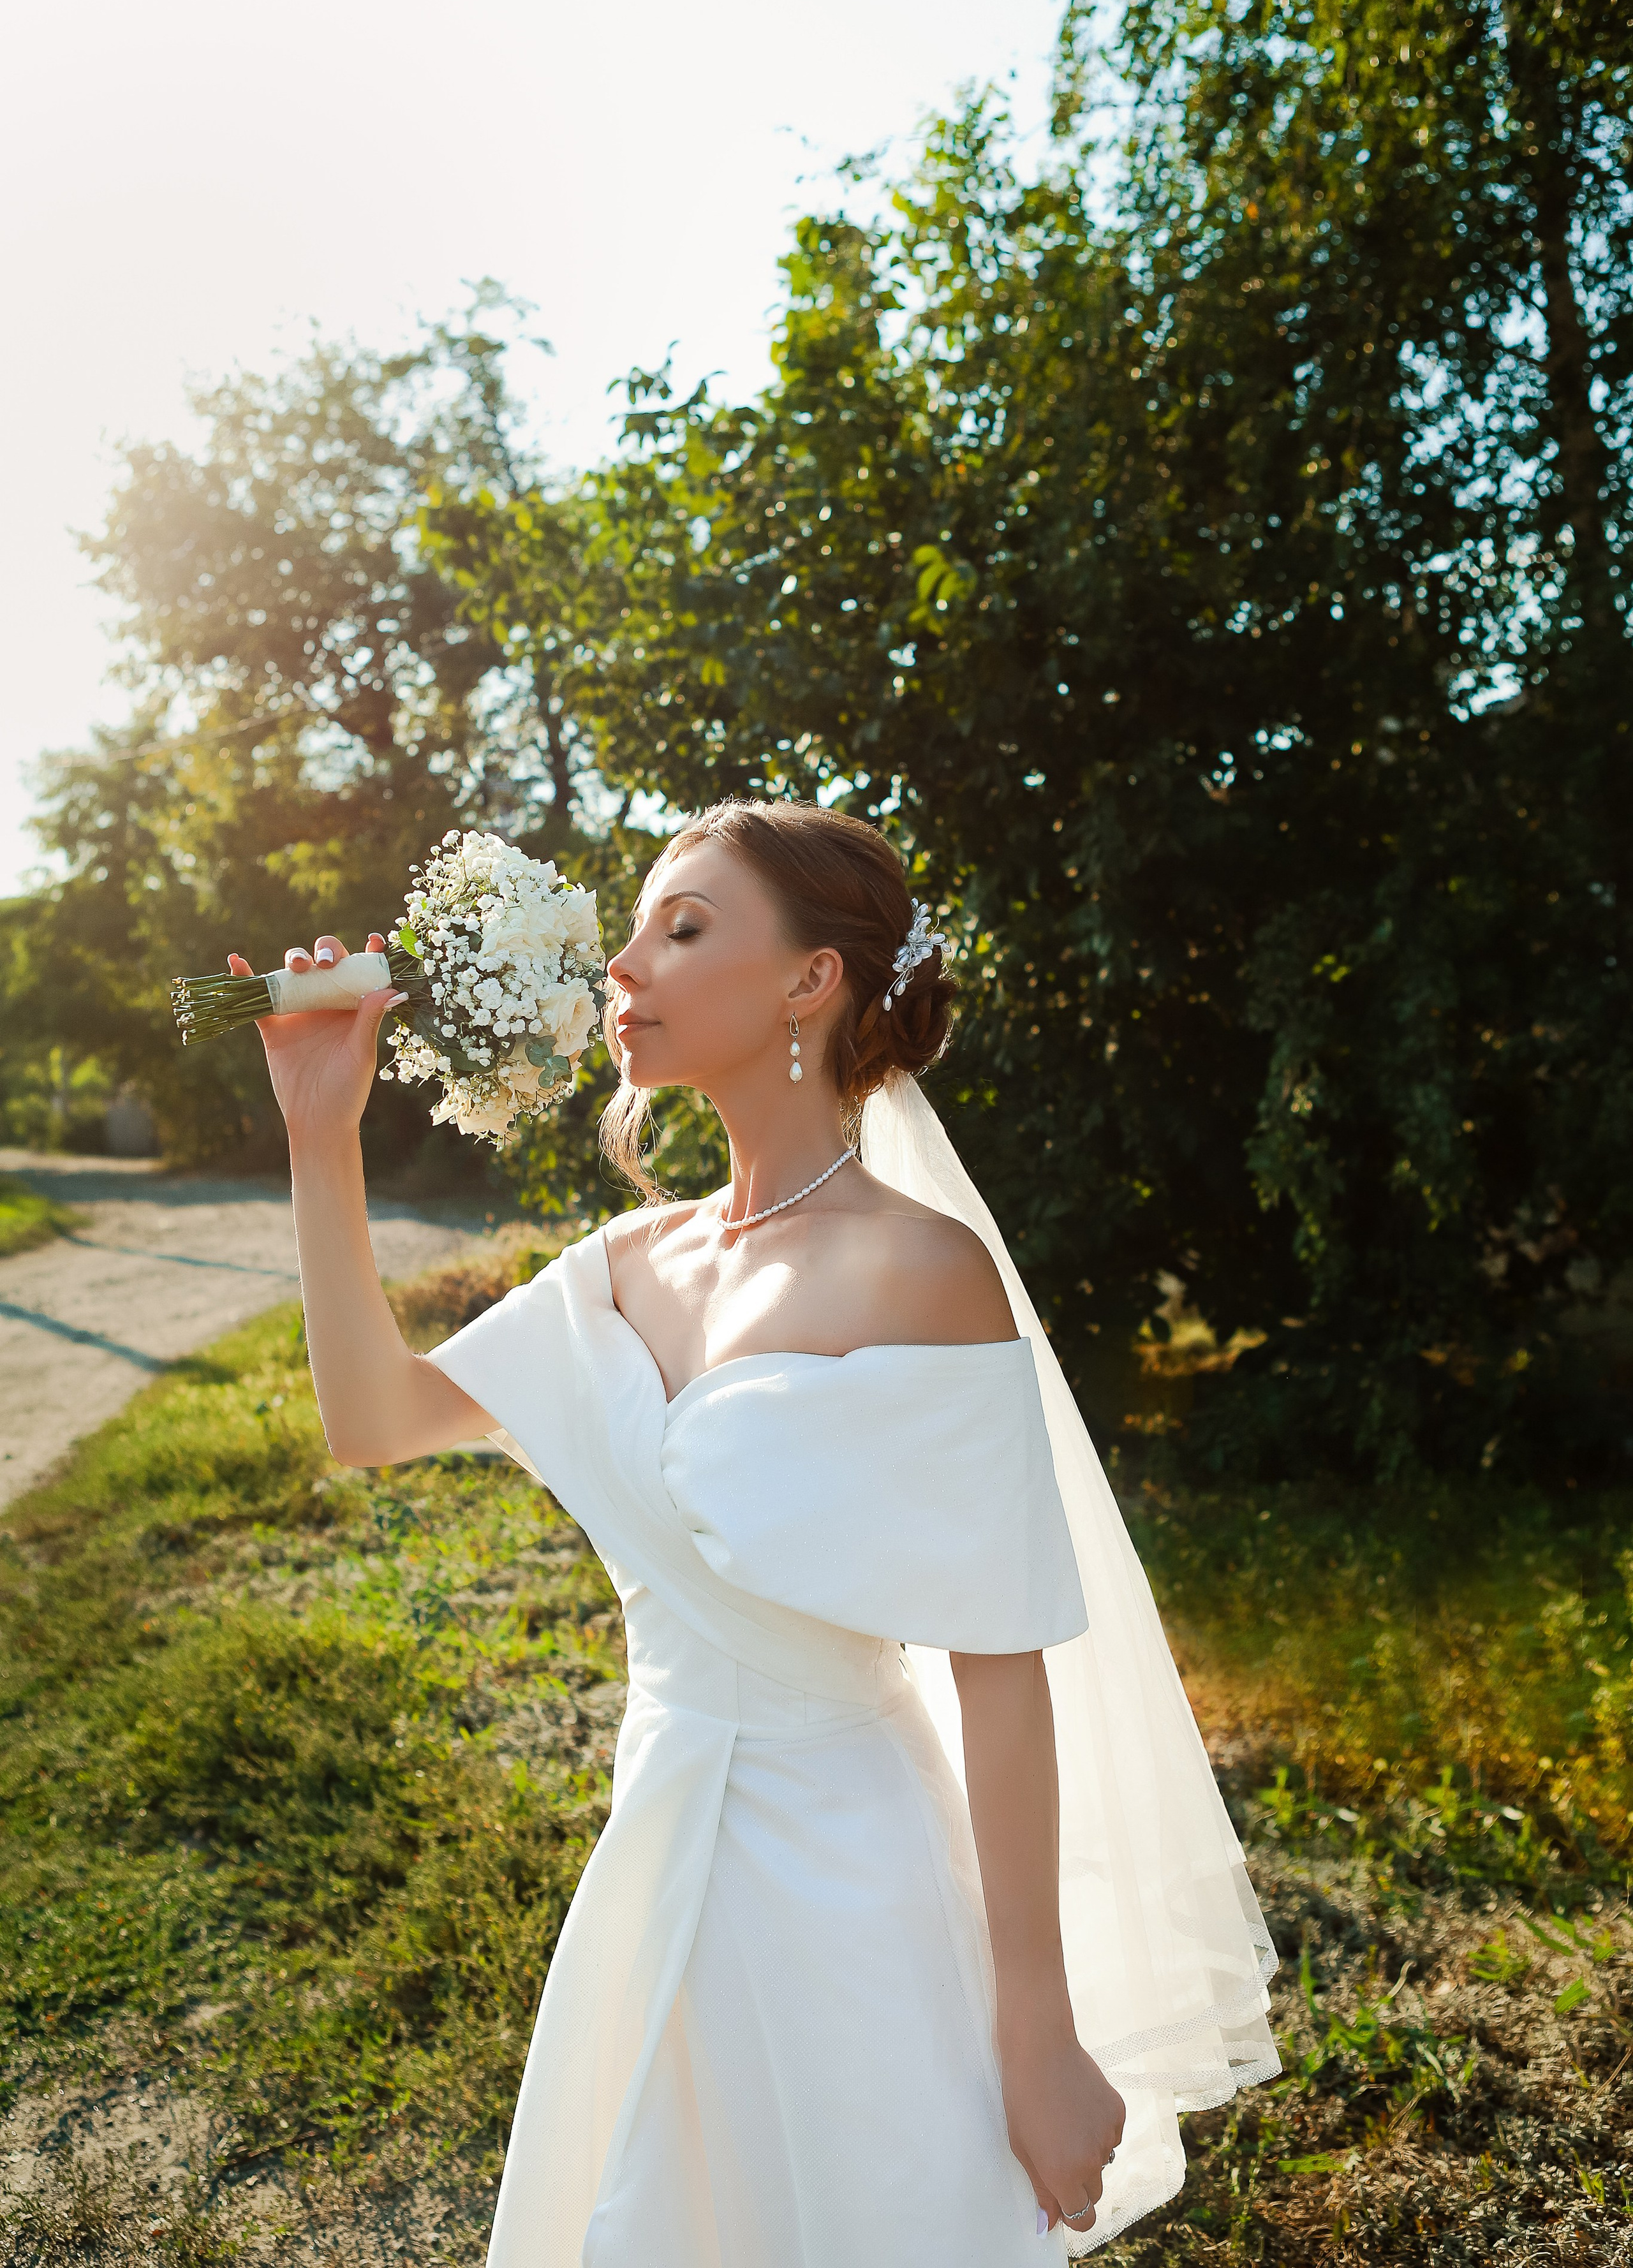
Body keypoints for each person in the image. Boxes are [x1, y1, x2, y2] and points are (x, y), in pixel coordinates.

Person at [235, 797, 1278, 2267]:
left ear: (810, 981)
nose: (625, 965)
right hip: (658, 1851)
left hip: (854, 1884)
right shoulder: (619, 1261)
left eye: (685, 927)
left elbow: (999, 1665)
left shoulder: (920, 1273)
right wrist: (319, 1133)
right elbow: (373, 1417)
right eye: (637, 928)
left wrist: (1034, 2031)